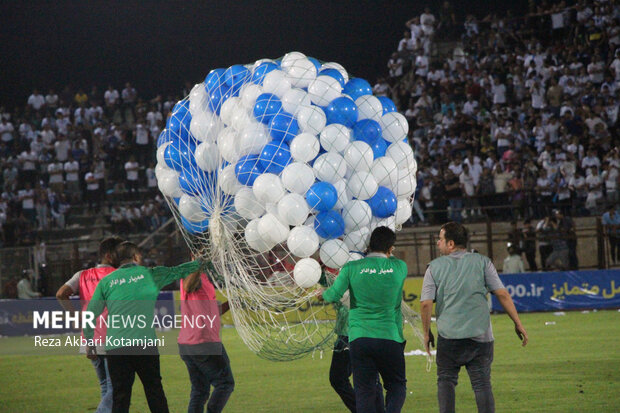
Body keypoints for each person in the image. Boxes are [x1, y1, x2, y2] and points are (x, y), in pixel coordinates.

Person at [420, 222, 528, 413]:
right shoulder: (483, 262)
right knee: (481, 384)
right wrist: (517, 323)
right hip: (480, 336)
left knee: (446, 381)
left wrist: (427, 332)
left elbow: (426, 303)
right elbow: (502, 294)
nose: (438, 243)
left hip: (449, 337)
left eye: (441, 239)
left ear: (451, 243)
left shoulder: (433, 268)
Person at [84, 242, 202, 413]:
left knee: (120, 397)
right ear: (136, 257)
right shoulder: (150, 274)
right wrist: (200, 261)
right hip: (145, 345)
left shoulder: (106, 282)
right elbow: (179, 270)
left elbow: (90, 314)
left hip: (117, 347)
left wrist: (89, 343)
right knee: (155, 392)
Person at [321, 226, 407, 413]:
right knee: (396, 385)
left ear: (368, 245)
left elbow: (333, 295)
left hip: (360, 338)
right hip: (390, 336)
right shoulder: (400, 267)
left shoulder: (352, 268)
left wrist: (322, 295)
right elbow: (386, 262)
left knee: (364, 390)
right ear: (391, 249)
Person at [56, 236, 124, 413]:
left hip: (90, 340)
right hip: (112, 340)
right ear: (109, 256)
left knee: (105, 388)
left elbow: (61, 293)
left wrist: (76, 317)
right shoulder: (119, 276)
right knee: (115, 389)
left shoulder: (82, 275)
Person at [178, 267, 234, 413]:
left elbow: (213, 312)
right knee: (225, 383)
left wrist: (233, 302)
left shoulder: (203, 278)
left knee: (199, 390)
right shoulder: (191, 275)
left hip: (188, 343)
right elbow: (188, 286)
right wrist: (198, 263)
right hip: (204, 342)